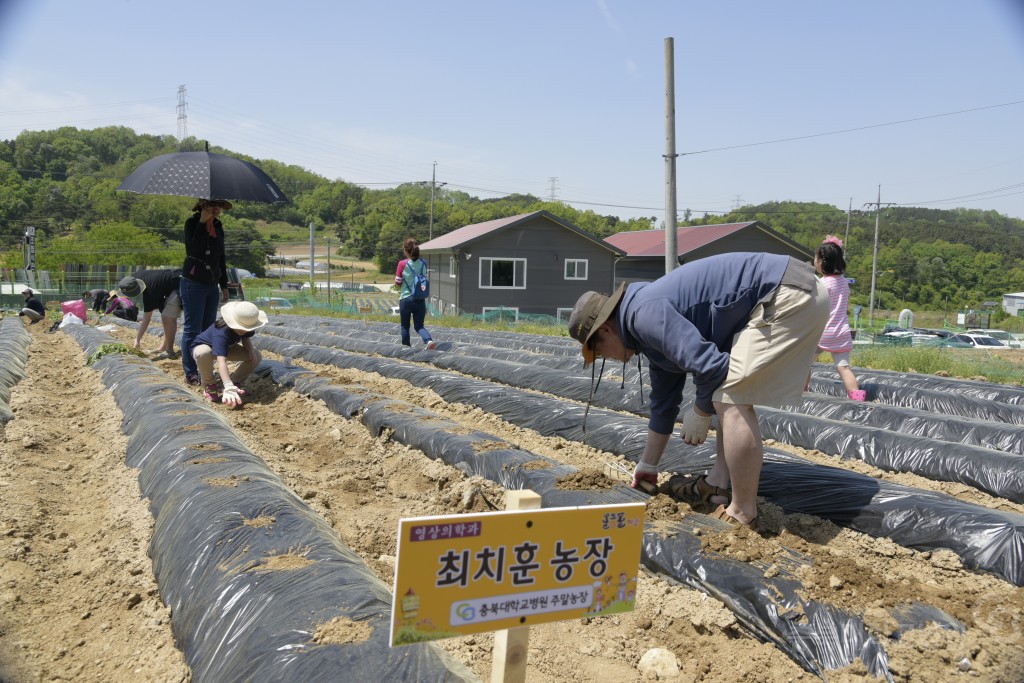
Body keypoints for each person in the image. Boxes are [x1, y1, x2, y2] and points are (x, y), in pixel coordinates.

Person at [567, 252, 829, 531]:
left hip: (786, 293)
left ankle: (742, 513)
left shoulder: (645, 315)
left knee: (730, 397)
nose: (609, 359)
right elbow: (663, 404)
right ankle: (717, 484)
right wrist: (649, 465)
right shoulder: (641, 329)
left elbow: (712, 367)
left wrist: (701, 411)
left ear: (606, 331)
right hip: (787, 290)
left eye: (601, 353)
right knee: (726, 395)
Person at [180, 199, 232, 385]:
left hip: (211, 283)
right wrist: (202, 223)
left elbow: (221, 256)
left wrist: (223, 283)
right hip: (193, 282)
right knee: (192, 328)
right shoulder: (192, 223)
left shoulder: (218, 226)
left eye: (219, 206)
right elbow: (194, 250)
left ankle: (204, 369)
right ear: (202, 206)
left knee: (208, 328)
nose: (216, 209)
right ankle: (190, 372)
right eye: (212, 206)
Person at [810, 236, 866, 401]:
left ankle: (802, 392)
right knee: (843, 367)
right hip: (841, 331)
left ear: (822, 263)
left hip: (823, 331)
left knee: (805, 364)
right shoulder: (843, 282)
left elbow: (815, 304)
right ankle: (856, 396)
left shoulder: (822, 284)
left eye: (816, 258)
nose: (814, 261)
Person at [190, 301, 267, 407]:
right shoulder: (221, 332)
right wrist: (227, 385)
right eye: (240, 327)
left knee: (256, 356)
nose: (243, 330)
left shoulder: (247, 324)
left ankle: (235, 382)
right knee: (203, 353)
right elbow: (221, 361)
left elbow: (245, 337)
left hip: (227, 347)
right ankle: (209, 385)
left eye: (245, 328)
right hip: (206, 348)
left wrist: (251, 350)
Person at [118, 269, 183, 359]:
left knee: (168, 318)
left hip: (179, 283)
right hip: (167, 286)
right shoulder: (134, 278)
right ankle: (163, 347)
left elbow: (147, 318)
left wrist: (137, 340)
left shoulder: (150, 290)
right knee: (166, 317)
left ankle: (169, 350)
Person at [394, 238, 438, 349]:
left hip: (406, 298)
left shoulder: (402, 264)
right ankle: (428, 341)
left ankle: (406, 347)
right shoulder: (423, 263)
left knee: (405, 325)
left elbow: (398, 282)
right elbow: (424, 278)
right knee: (419, 325)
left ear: (406, 251)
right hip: (420, 299)